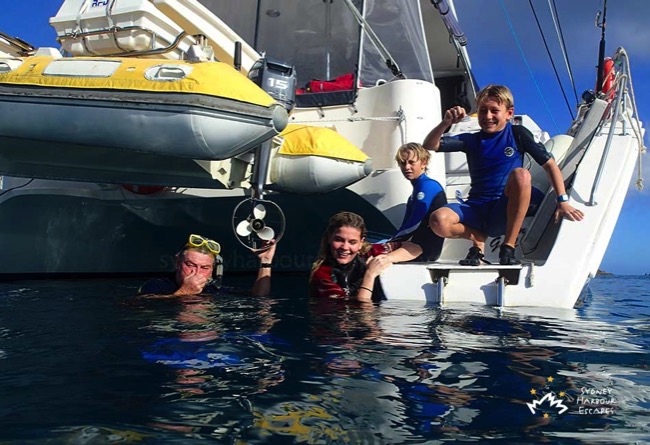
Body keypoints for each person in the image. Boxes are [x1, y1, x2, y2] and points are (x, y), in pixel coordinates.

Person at [422, 84, 584, 265]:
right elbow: (429, 145)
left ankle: (508, 247)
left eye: (494, 110)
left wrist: (562, 200)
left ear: (509, 113)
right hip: (477, 207)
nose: (488, 116)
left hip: (504, 209)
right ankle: (478, 237)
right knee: (438, 221)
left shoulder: (517, 134)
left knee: (521, 175)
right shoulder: (471, 140)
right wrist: (446, 123)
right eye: (483, 111)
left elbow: (550, 165)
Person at [309, 211, 422, 302]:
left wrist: (386, 258)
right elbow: (361, 309)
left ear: (361, 243)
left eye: (352, 242)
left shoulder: (367, 253)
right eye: (339, 240)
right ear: (329, 238)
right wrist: (370, 274)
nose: (345, 247)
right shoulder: (322, 275)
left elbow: (415, 248)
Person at [138, 233, 276, 297]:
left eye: (204, 268)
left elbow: (259, 297)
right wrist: (185, 292)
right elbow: (136, 307)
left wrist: (265, 261)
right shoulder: (157, 286)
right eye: (190, 265)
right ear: (177, 262)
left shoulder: (214, 290)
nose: (197, 273)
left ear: (212, 270)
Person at [391, 142, 447, 262]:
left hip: (423, 249)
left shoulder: (428, 186)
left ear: (424, 162)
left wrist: (393, 242)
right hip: (414, 246)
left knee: (376, 258)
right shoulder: (414, 194)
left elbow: (414, 222)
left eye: (411, 162)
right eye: (403, 163)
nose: (406, 167)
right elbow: (405, 224)